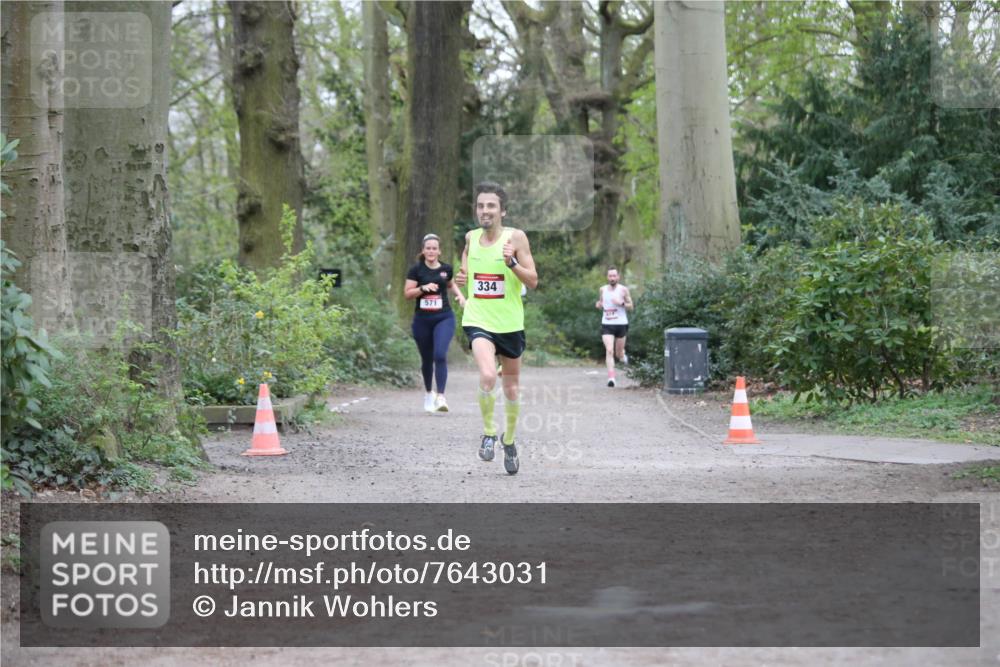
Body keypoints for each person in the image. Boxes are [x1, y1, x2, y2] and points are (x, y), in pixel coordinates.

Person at [455, 182, 538, 475]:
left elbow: (532, 281)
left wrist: (512, 262)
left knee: (512, 388)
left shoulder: (516, 238)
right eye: (480, 206)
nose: (485, 211)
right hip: (478, 319)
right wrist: (464, 273)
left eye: (491, 206)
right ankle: (489, 433)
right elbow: (466, 254)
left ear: (502, 210)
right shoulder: (471, 237)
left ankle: (510, 441)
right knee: (488, 375)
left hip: (510, 324)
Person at [404, 233, 466, 413]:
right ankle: (429, 393)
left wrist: (460, 296)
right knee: (427, 358)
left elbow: (450, 284)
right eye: (428, 248)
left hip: (443, 317)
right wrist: (422, 288)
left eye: (434, 248)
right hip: (422, 320)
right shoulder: (416, 270)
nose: (431, 251)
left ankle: (441, 396)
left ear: (439, 251)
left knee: (440, 354)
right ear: (423, 251)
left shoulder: (446, 269)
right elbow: (407, 294)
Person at [596, 266, 633, 387]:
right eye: (610, 276)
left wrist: (621, 303)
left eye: (614, 276)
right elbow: (601, 302)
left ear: (618, 277)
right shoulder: (602, 289)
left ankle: (623, 356)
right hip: (607, 324)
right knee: (609, 350)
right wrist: (599, 304)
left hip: (621, 324)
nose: (612, 278)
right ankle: (611, 378)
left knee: (618, 353)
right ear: (607, 277)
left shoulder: (623, 290)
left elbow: (631, 306)